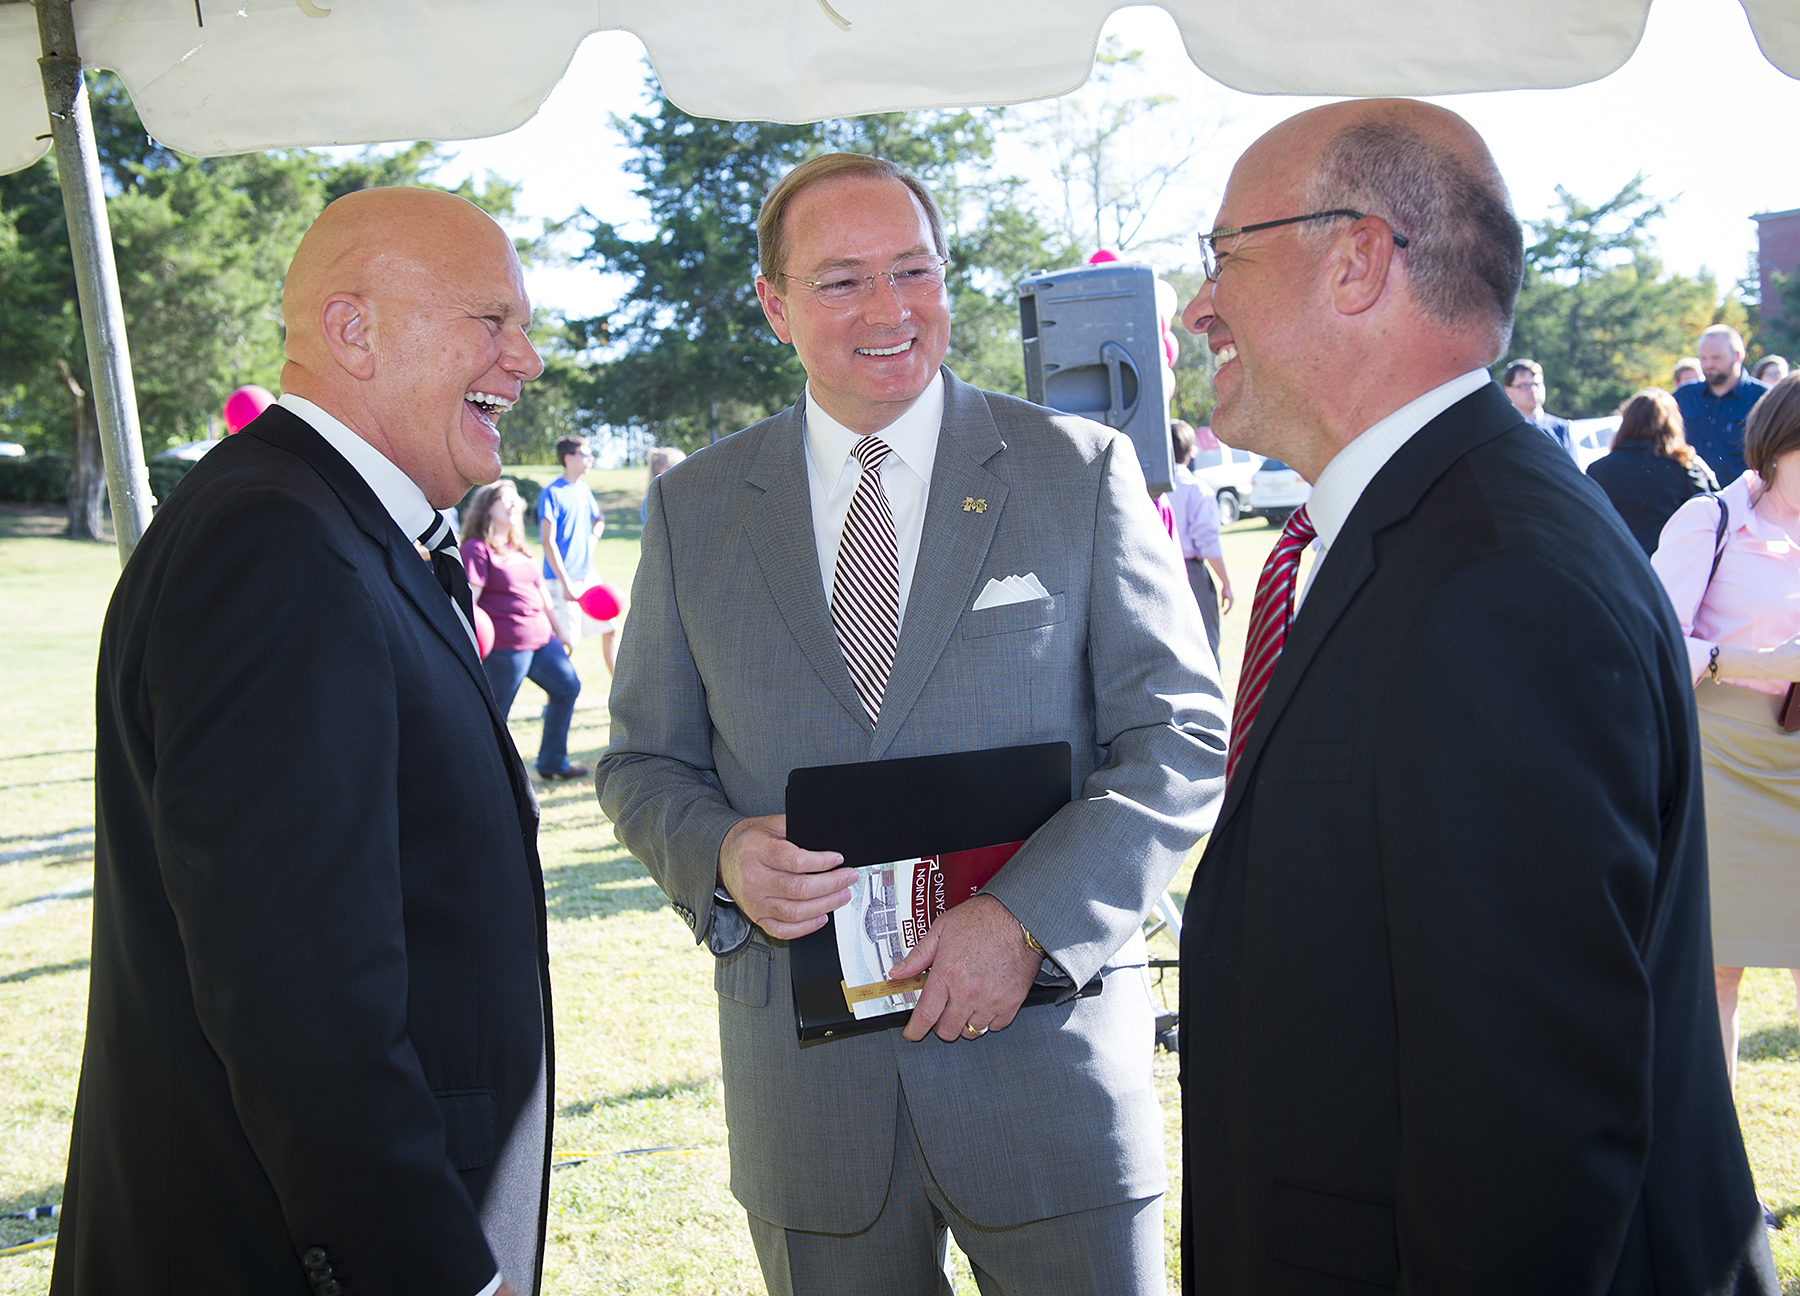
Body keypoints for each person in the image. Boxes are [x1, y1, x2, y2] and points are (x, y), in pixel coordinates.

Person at [596, 152, 1226, 1295]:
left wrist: (1028, 921)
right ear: (775, 305)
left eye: (914, 271)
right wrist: (724, 855)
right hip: (812, 1108)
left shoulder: (1075, 471)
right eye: (840, 282)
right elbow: (643, 763)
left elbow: (1179, 738)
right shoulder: (695, 509)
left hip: (1051, 1079)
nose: (889, 312)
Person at [1177, 98, 1773, 1293]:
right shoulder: (1430, 533)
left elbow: (1529, 1130)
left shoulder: (1496, 580)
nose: (1199, 307)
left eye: (1223, 254)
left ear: (1355, 259)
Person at [52, 188, 553, 1296]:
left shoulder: (329, 525)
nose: (524, 359)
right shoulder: (278, 546)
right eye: (491, 319)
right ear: (353, 330)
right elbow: (298, 994)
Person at [1651, 373, 1800, 1219]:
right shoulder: (1710, 519)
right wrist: (1762, 664)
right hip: (1726, 758)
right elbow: (1649, 644)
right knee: (1717, 975)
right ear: (1777, 446)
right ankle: (1719, 1179)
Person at [462, 479, 587, 780]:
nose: (514, 503)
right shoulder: (476, 549)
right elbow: (470, 604)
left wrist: (562, 632)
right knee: (496, 713)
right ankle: (486, 776)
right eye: (505, 499)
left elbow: (543, 597)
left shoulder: (519, 547)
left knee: (567, 687)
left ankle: (552, 763)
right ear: (487, 508)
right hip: (506, 645)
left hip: (542, 640)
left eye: (516, 499)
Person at [1586, 387, 1718, 554]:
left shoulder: (1598, 470)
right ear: (1672, 424)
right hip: (1670, 563)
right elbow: (1712, 515)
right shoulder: (1683, 469)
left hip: (1618, 564)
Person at [537, 434, 617, 675]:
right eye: (585, 454)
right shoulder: (551, 492)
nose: (590, 459)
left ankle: (622, 692)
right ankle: (559, 698)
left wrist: (591, 542)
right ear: (569, 458)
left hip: (587, 575)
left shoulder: (584, 490)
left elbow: (599, 520)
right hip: (560, 580)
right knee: (566, 643)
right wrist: (566, 583)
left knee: (610, 628)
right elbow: (547, 542)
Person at [1167, 419, 1235, 660]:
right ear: (1190, 450)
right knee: (1205, 648)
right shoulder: (1198, 489)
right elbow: (1208, 543)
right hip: (1192, 573)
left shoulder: (1144, 486)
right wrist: (1225, 582)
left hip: (1158, 570)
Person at [1677, 324, 1771, 485]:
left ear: (1737, 355)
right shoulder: (1684, 396)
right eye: (1704, 358)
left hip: (1743, 501)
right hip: (1689, 500)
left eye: (1716, 357)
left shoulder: (1764, 398)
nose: (1709, 364)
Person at [1501, 357, 1576, 457]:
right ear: (1509, 391)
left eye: (1537, 384)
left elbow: (1573, 470)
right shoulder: (1503, 431)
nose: (1532, 390)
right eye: (1524, 385)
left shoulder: (1561, 428)